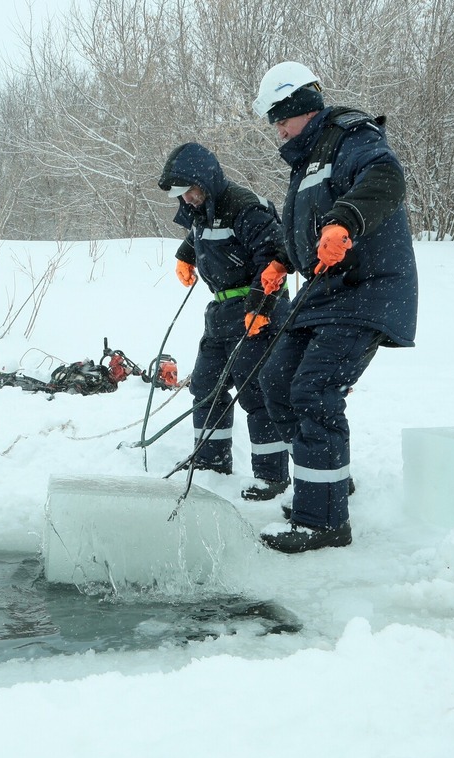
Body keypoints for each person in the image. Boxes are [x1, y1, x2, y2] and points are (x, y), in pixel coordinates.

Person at [250, 61, 418, 553]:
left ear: (303, 106)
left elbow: (385, 178)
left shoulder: (352, 136)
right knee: (274, 379)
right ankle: (327, 482)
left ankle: (323, 522)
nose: (277, 127)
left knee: (314, 389)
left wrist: (346, 220)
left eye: (281, 115)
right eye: (272, 120)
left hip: (367, 288)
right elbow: (305, 227)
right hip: (322, 295)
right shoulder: (306, 162)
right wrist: (282, 260)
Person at [158, 142, 292, 499]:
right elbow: (200, 234)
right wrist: (186, 254)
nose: (186, 200)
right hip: (220, 314)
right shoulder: (202, 209)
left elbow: (273, 256)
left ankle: (272, 477)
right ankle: (211, 461)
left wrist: (260, 306)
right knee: (206, 387)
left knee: (256, 394)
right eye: (181, 195)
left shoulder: (245, 208)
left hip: (255, 311)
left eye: (189, 191)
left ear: (205, 179)